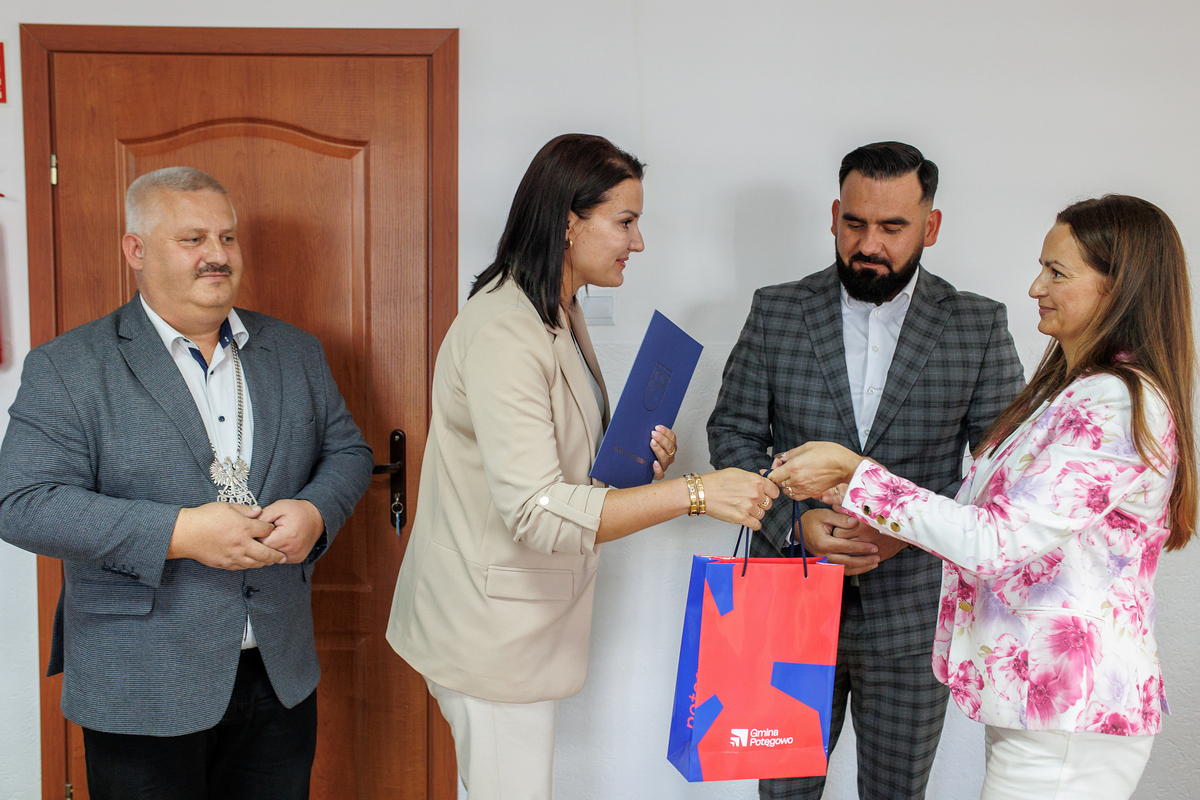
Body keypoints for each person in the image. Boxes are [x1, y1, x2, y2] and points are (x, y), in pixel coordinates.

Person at [386, 133, 777, 799]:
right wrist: (694, 494)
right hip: (489, 634)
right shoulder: (506, 330)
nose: (638, 242)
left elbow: (560, 464)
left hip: (522, 622)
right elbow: (536, 512)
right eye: (625, 222)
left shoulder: (559, 310)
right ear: (570, 221)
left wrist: (633, 464)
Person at [767, 194, 1195, 800]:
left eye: (1057, 273)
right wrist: (847, 486)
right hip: (1044, 710)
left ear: (1118, 287)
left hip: (1072, 716)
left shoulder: (1115, 403)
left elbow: (995, 540)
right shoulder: (1073, 393)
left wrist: (859, 474)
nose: (1035, 288)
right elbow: (980, 511)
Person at [0, 167, 374, 799]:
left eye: (227, 238)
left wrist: (315, 511)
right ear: (136, 250)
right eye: (193, 239)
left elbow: (348, 452)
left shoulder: (295, 351)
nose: (217, 255)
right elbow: (23, 504)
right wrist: (181, 532)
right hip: (139, 682)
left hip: (277, 675)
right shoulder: (68, 365)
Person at [707, 141, 1025, 800]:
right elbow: (733, 433)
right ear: (834, 216)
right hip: (789, 606)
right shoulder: (777, 311)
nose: (868, 244)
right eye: (854, 223)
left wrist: (909, 527)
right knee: (782, 795)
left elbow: (1002, 470)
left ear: (930, 226)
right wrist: (794, 523)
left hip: (912, 617)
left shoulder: (978, 326)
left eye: (892, 227)